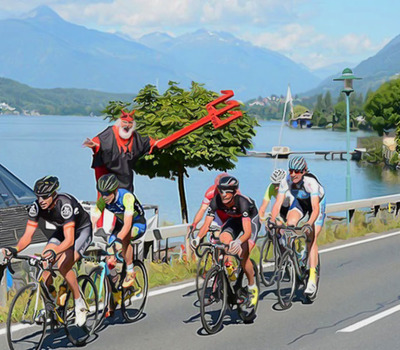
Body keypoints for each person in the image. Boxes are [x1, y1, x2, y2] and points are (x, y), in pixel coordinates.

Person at [2, 176, 93, 327]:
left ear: (54, 195)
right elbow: (27, 235)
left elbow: (70, 241)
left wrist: (55, 252)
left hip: (81, 231)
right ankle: (50, 299)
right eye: (38, 197)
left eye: (45, 196)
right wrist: (15, 249)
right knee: (44, 262)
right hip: (62, 231)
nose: (41, 200)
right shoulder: (36, 207)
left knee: (64, 265)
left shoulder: (65, 205)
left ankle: (79, 303)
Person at [191, 175, 261, 306]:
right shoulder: (216, 201)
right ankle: (229, 271)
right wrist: (198, 238)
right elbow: (206, 225)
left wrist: (238, 242)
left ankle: (252, 286)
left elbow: (247, 232)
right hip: (234, 220)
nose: (223, 195)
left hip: (250, 221)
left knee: (243, 254)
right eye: (221, 191)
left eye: (227, 191)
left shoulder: (242, 202)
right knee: (223, 239)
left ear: (234, 192)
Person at [269, 156, 326, 297]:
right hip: (299, 203)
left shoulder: (310, 183)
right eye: (291, 171)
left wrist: (308, 224)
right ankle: (295, 254)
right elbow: (277, 204)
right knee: (290, 224)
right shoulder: (286, 181)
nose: (293, 174)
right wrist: (274, 219)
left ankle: (312, 277)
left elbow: (315, 208)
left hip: (316, 205)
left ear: (304, 171)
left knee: (311, 238)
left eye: (297, 171)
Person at [91, 174, 147, 289]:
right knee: (109, 252)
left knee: (124, 239)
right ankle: (114, 282)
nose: (104, 197)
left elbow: (127, 225)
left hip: (137, 223)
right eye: (102, 194)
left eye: (107, 194)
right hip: (120, 223)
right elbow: (92, 221)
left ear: (115, 190)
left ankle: (130, 272)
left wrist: (119, 240)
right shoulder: (102, 201)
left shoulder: (127, 197)